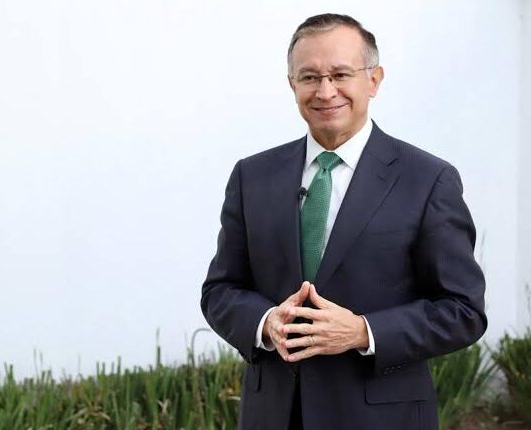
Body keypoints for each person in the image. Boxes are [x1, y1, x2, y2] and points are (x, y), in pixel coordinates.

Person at [201, 13, 487, 430]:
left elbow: (463, 311)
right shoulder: (252, 176)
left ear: (374, 80)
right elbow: (220, 290)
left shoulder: (428, 179)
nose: (325, 91)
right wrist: (264, 323)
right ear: (292, 85)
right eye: (309, 77)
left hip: (382, 418)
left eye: (340, 74)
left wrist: (362, 331)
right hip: (273, 415)